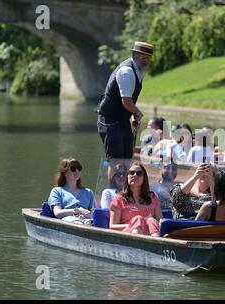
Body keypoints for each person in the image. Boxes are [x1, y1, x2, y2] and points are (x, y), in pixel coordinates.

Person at [97, 41, 154, 179]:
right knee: (116, 161)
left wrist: (133, 114)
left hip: (122, 120)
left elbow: (128, 102)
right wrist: (137, 112)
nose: (146, 60)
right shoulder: (127, 71)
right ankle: (113, 193)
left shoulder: (139, 72)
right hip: (109, 120)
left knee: (127, 160)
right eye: (142, 56)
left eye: (148, 57)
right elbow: (126, 101)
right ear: (134, 54)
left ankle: (125, 193)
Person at [109, 162, 162, 236]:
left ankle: (157, 245)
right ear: (127, 176)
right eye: (131, 172)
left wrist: (145, 224)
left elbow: (160, 222)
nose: (135, 175)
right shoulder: (119, 199)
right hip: (127, 237)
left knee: (151, 221)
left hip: (150, 234)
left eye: (139, 173)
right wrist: (136, 224)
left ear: (144, 178)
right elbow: (112, 227)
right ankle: (139, 244)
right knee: (138, 219)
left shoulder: (152, 197)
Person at [47, 158, 96, 223]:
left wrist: (89, 214)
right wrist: (78, 210)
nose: (77, 171)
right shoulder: (57, 191)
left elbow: (94, 212)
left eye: (79, 168)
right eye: (73, 169)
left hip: (86, 220)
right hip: (68, 221)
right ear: (65, 173)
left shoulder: (88, 192)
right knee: (77, 222)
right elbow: (57, 213)